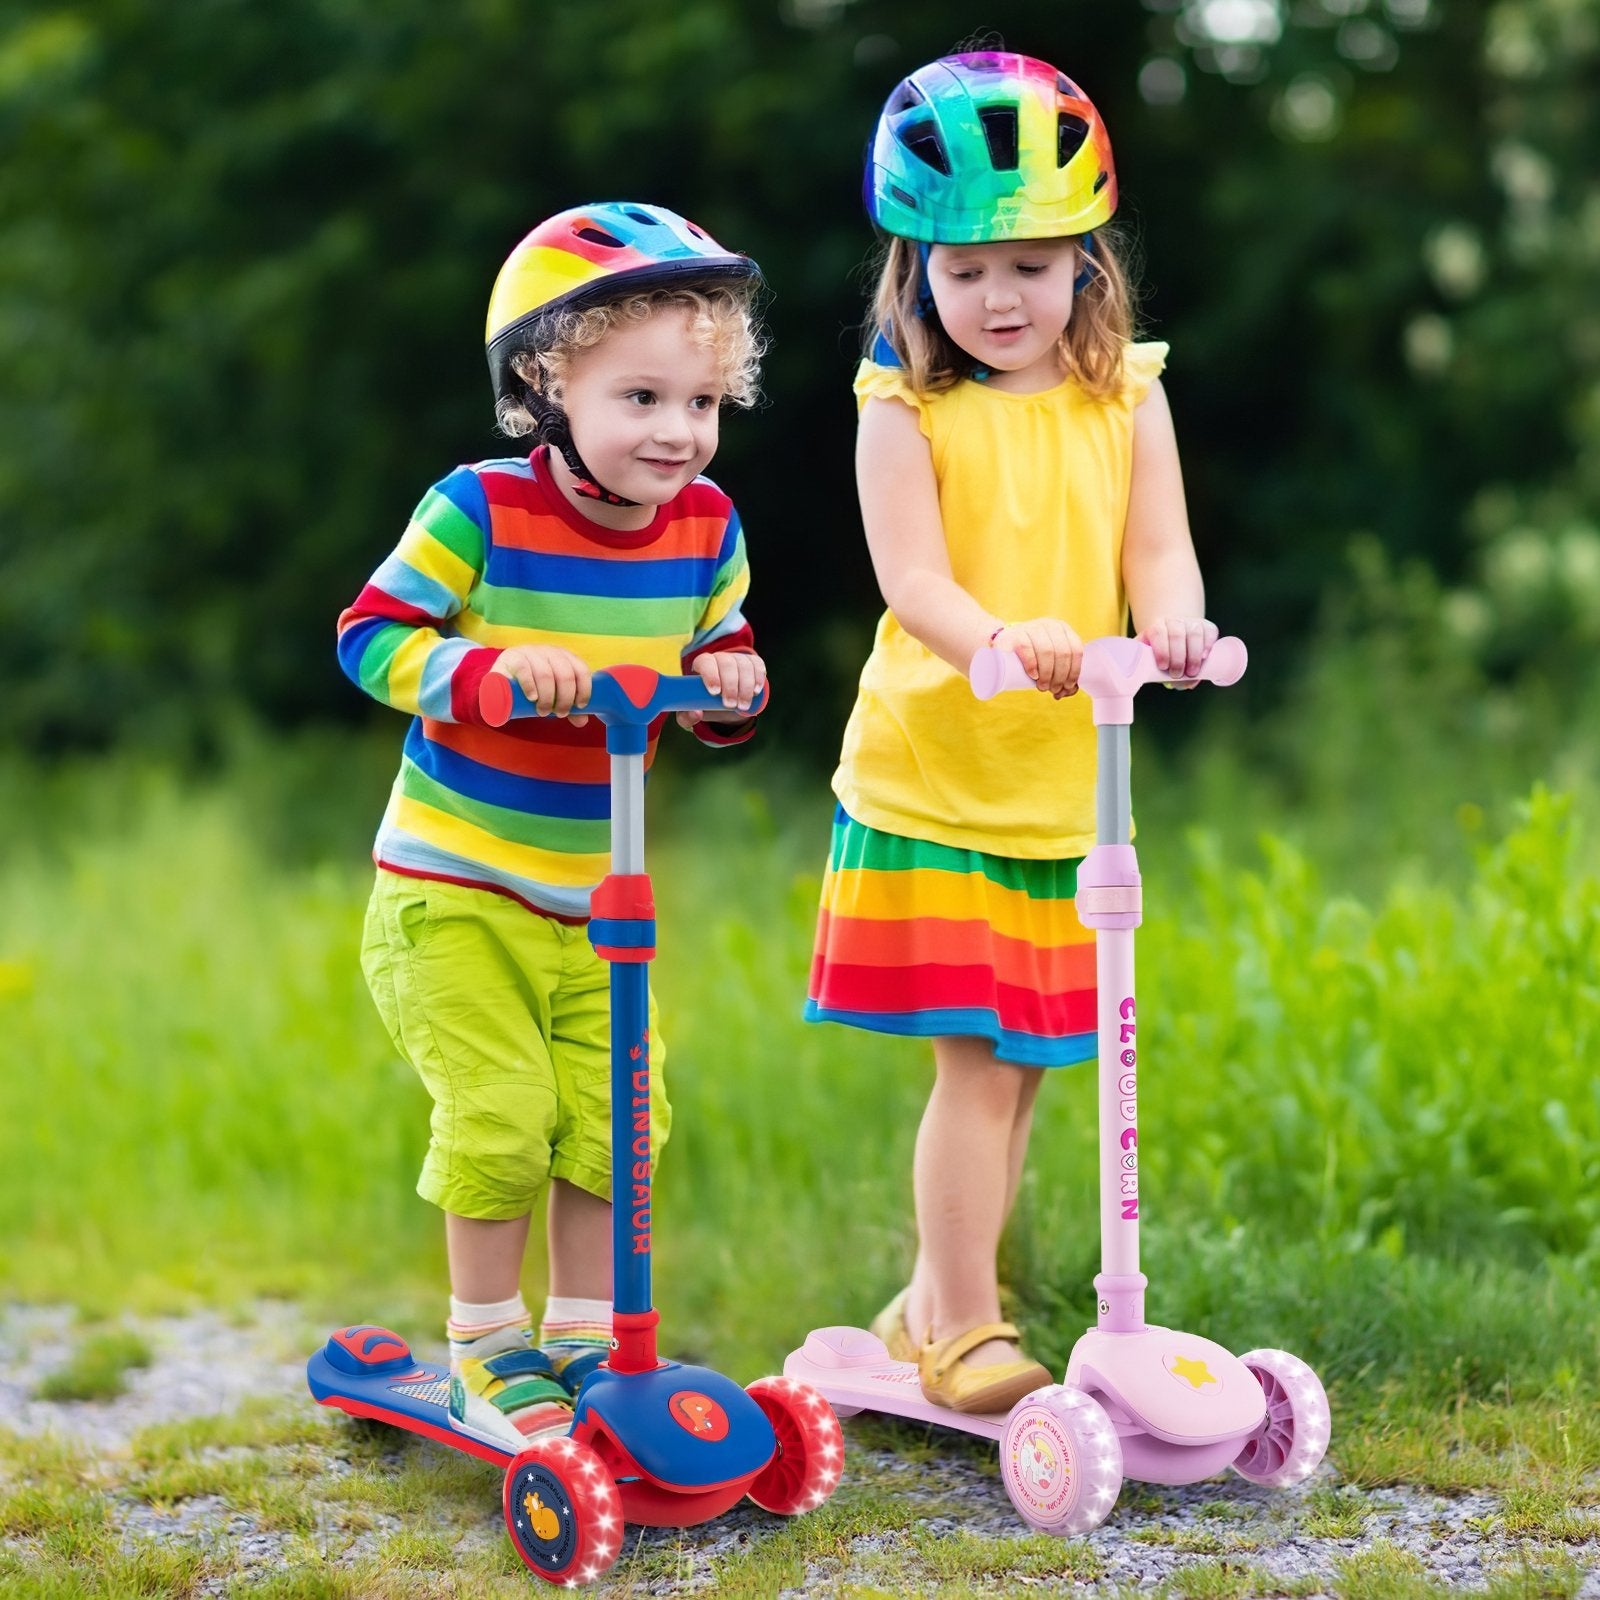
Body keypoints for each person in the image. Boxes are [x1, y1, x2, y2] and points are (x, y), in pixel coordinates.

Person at [805, 52, 1219, 1414]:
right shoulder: (902, 409)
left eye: (1033, 265)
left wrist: (1171, 627)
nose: (1000, 296)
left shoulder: (1127, 395)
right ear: (914, 268)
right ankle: (969, 1323)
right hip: (935, 776)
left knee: (1034, 1069)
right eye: (967, 267)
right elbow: (912, 579)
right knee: (980, 1066)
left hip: (1064, 786)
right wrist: (997, 641)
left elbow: (1158, 548)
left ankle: (931, 1300)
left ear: (1087, 265)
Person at [338, 201, 768, 1452]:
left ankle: (584, 1335)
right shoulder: (477, 507)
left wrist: (732, 686)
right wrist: (486, 673)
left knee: (619, 1117)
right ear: (546, 380)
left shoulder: (708, 528)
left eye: (700, 403)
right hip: (454, 884)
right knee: (502, 1115)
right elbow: (371, 637)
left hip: (602, 894)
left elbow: (716, 650)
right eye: (640, 399)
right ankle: (484, 1346)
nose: (678, 433)